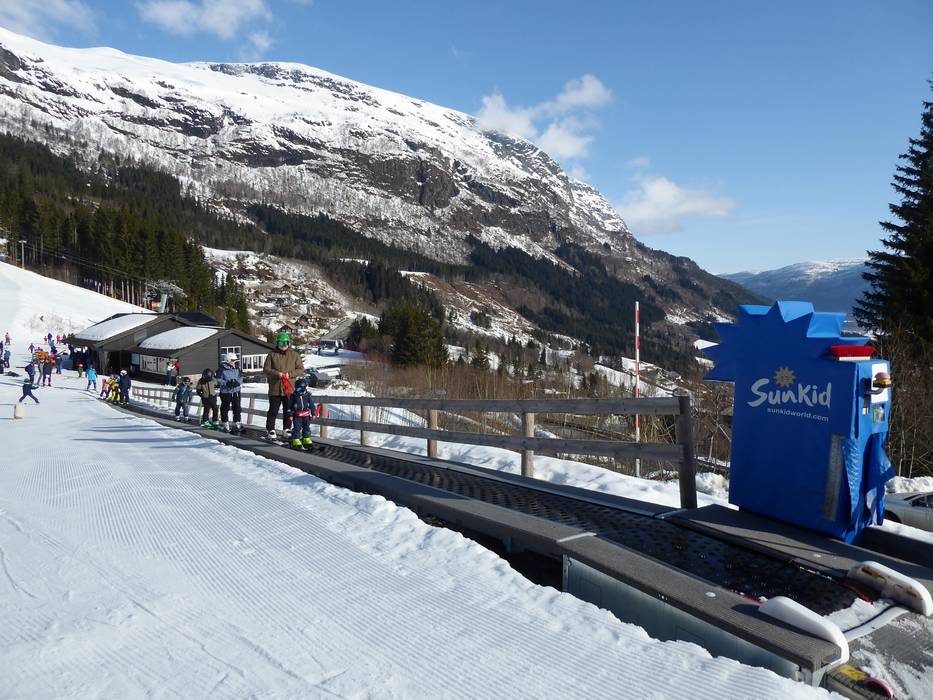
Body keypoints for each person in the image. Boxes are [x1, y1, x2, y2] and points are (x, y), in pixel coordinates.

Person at [262, 332, 305, 441]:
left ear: (288, 343)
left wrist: (289, 375)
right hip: (275, 388)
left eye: (285, 343)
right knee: (273, 410)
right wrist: (277, 374)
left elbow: (300, 369)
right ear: (277, 343)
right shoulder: (272, 354)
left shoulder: (294, 355)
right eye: (281, 343)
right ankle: (270, 429)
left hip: (289, 389)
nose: (283, 345)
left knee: (288, 410)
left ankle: (287, 429)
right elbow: (266, 369)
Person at [217, 352, 243, 433]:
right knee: (225, 408)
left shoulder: (237, 368)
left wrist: (237, 382)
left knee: (237, 407)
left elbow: (241, 377)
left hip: (236, 391)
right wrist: (226, 383)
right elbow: (218, 379)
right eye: (233, 360)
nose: (234, 362)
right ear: (228, 360)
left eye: (235, 360)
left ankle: (236, 422)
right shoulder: (222, 369)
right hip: (226, 392)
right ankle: (225, 423)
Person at [288, 377, 316, 449]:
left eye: (299, 389)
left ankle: (306, 438)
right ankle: (296, 439)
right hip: (297, 416)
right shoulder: (294, 396)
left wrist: (313, 413)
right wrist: (290, 415)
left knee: (306, 427)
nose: (298, 391)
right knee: (297, 428)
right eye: (296, 389)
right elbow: (289, 407)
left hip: (306, 416)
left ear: (304, 389)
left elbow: (312, 405)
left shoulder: (307, 396)